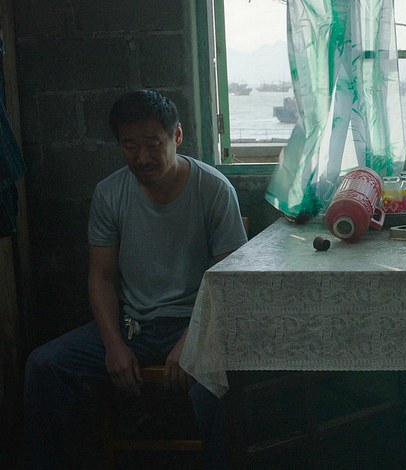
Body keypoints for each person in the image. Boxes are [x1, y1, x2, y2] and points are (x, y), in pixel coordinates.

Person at [24, 89, 248, 469]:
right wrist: (113, 344)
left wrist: (193, 340)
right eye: (129, 146)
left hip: (195, 324)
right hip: (134, 327)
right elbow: (101, 277)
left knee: (217, 390)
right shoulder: (110, 193)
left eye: (152, 144)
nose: (141, 157)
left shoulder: (212, 189)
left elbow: (229, 282)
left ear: (177, 136)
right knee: (44, 366)